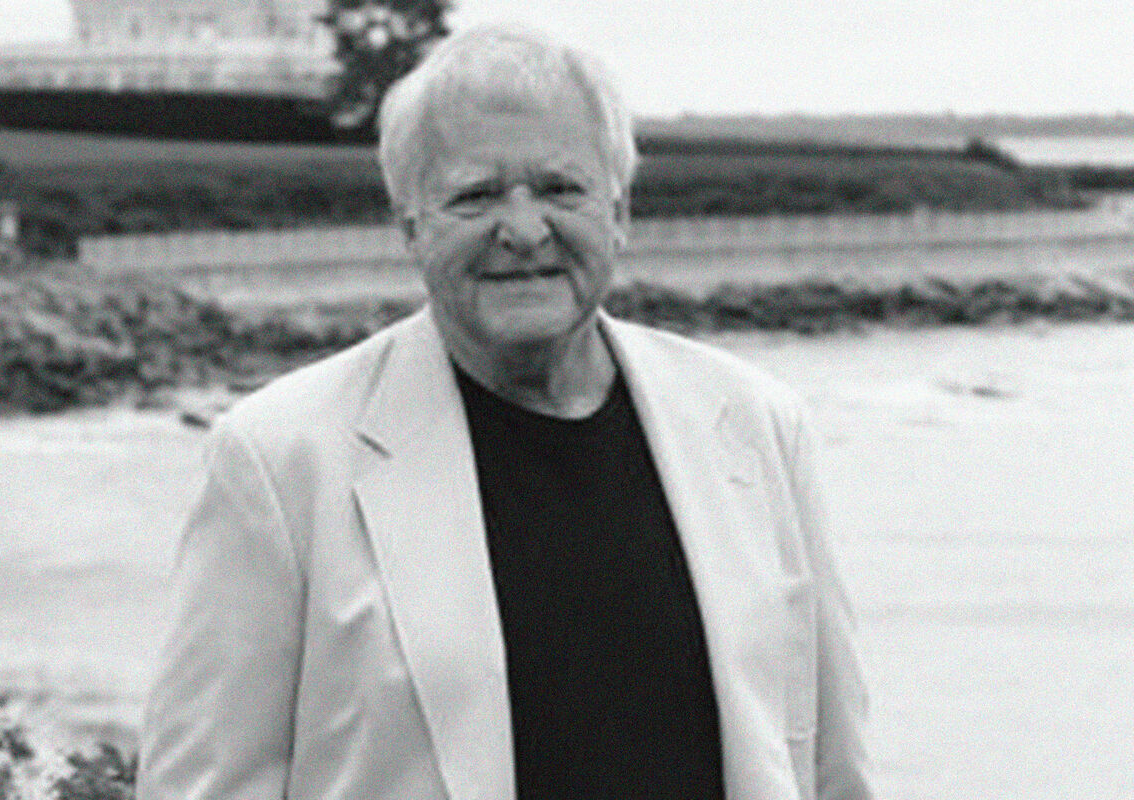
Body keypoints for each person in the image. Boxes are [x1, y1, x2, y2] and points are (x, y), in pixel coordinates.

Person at [136, 23, 874, 800]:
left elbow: (833, 766)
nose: (524, 231)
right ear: (411, 227)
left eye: (561, 189)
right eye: (475, 195)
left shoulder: (757, 426)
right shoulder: (280, 461)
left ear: (619, 211)